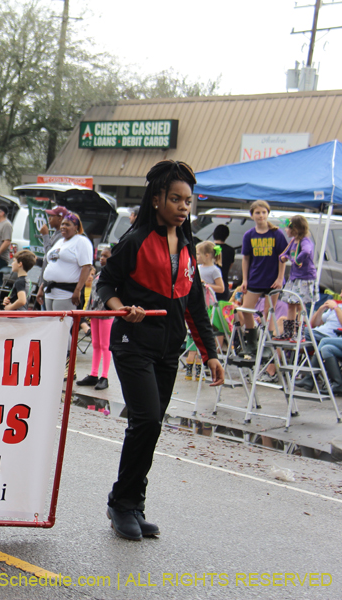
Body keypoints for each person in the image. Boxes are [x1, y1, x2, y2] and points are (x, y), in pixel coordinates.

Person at [97, 160, 223, 541]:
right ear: (157, 200)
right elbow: (105, 284)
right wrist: (121, 308)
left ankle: (133, 503)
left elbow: (195, 306)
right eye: (175, 199)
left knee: (149, 427)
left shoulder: (187, 247)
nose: (184, 207)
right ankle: (121, 503)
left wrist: (211, 353)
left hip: (169, 350)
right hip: (132, 343)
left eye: (188, 201)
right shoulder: (134, 242)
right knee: (148, 419)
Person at [238, 200, 286, 355]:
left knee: (269, 311)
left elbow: (283, 257)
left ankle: (267, 344)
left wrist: (280, 278)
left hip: (272, 279)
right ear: (252, 215)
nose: (261, 215)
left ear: (268, 214)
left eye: (264, 212)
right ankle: (251, 341)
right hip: (255, 278)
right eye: (257, 213)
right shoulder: (249, 235)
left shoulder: (276, 233)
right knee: (246, 309)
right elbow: (246, 258)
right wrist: (245, 280)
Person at [185, 241, 224, 380]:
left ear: (207, 255)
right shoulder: (197, 268)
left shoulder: (214, 270)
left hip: (208, 305)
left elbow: (221, 288)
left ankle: (201, 369)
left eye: (198, 254)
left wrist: (207, 285)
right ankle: (190, 370)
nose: (196, 256)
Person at [76, 247, 113, 390]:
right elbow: (92, 295)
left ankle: (104, 376)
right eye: (101, 256)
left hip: (106, 313)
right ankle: (94, 373)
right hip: (95, 312)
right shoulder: (98, 274)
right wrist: (87, 310)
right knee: (96, 344)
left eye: (105, 256)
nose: (102, 258)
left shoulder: (113, 275)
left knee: (105, 345)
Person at [42, 211, 93, 311]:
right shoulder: (59, 241)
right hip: (50, 291)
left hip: (65, 293)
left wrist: (78, 290)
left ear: (76, 227)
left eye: (67, 225)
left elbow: (86, 267)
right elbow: (51, 264)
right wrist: (42, 287)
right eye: (62, 224)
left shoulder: (81, 241)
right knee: (50, 320)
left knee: (62, 320)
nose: (63, 227)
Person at [278, 215, 316, 339]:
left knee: (300, 305)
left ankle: (300, 333)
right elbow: (283, 254)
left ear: (296, 229)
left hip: (304, 278)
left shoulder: (304, 241)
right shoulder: (293, 241)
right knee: (291, 304)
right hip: (294, 277)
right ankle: (289, 332)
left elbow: (306, 251)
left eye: (288, 228)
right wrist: (283, 257)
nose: (286, 230)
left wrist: (297, 260)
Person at [212, 224, 235, 302]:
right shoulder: (230, 250)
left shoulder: (208, 248)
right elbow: (230, 266)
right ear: (226, 236)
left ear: (214, 234)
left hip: (209, 285)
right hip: (223, 284)